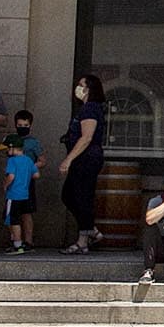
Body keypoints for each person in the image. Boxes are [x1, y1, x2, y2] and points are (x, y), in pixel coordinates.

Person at [57, 71, 105, 254]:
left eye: (81, 85)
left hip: (86, 159)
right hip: (81, 160)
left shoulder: (91, 108)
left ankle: (83, 240)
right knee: (69, 195)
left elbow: (86, 137)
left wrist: (68, 160)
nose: (78, 89)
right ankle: (90, 229)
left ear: (89, 89)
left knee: (82, 197)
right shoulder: (84, 109)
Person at [0, 129, 38, 255]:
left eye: (7, 149)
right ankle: (22, 242)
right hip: (25, 195)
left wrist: (5, 185)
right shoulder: (28, 160)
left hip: (13, 195)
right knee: (22, 217)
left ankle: (17, 244)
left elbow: (11, 176)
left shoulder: (12, 161)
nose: (6, 152)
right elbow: (36, 174)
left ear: (12, 148)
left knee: (12, 220)